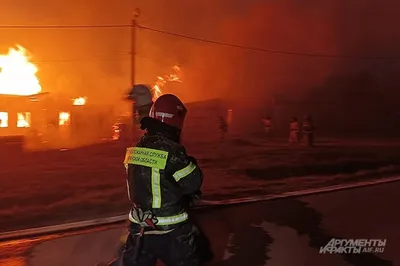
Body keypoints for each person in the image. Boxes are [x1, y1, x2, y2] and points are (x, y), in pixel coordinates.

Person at [122, 94, 204, 266]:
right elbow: (192, 183)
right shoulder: (172, 151)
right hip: (171, 231)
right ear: (176, 121)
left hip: (139, 228)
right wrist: (191, 164)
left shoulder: (137, 147)